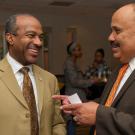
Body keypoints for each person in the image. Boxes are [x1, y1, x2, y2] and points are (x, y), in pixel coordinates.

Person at [53, 3, 135, 135]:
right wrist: (81, 105)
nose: (110, 37)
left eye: (117, 31)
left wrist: (99, 115)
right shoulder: (120, 69)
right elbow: (109, 103)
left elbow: (103, 111)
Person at [0, 14, 66, 135]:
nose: (39, 43)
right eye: (31, 35)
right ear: (10, 38)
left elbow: (57, 123)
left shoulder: (50, 80)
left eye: (40, 37)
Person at [64, 42, 97, 135]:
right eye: (78, 49)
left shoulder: (74, 63)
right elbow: (74, 81)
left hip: (78, 94)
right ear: (72, 51)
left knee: (74, 120)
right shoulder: (69, 63)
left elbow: (79, 79)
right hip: (73, 96)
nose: (80, 51)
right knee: (72, 120)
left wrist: (86, 89)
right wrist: (91, 81)